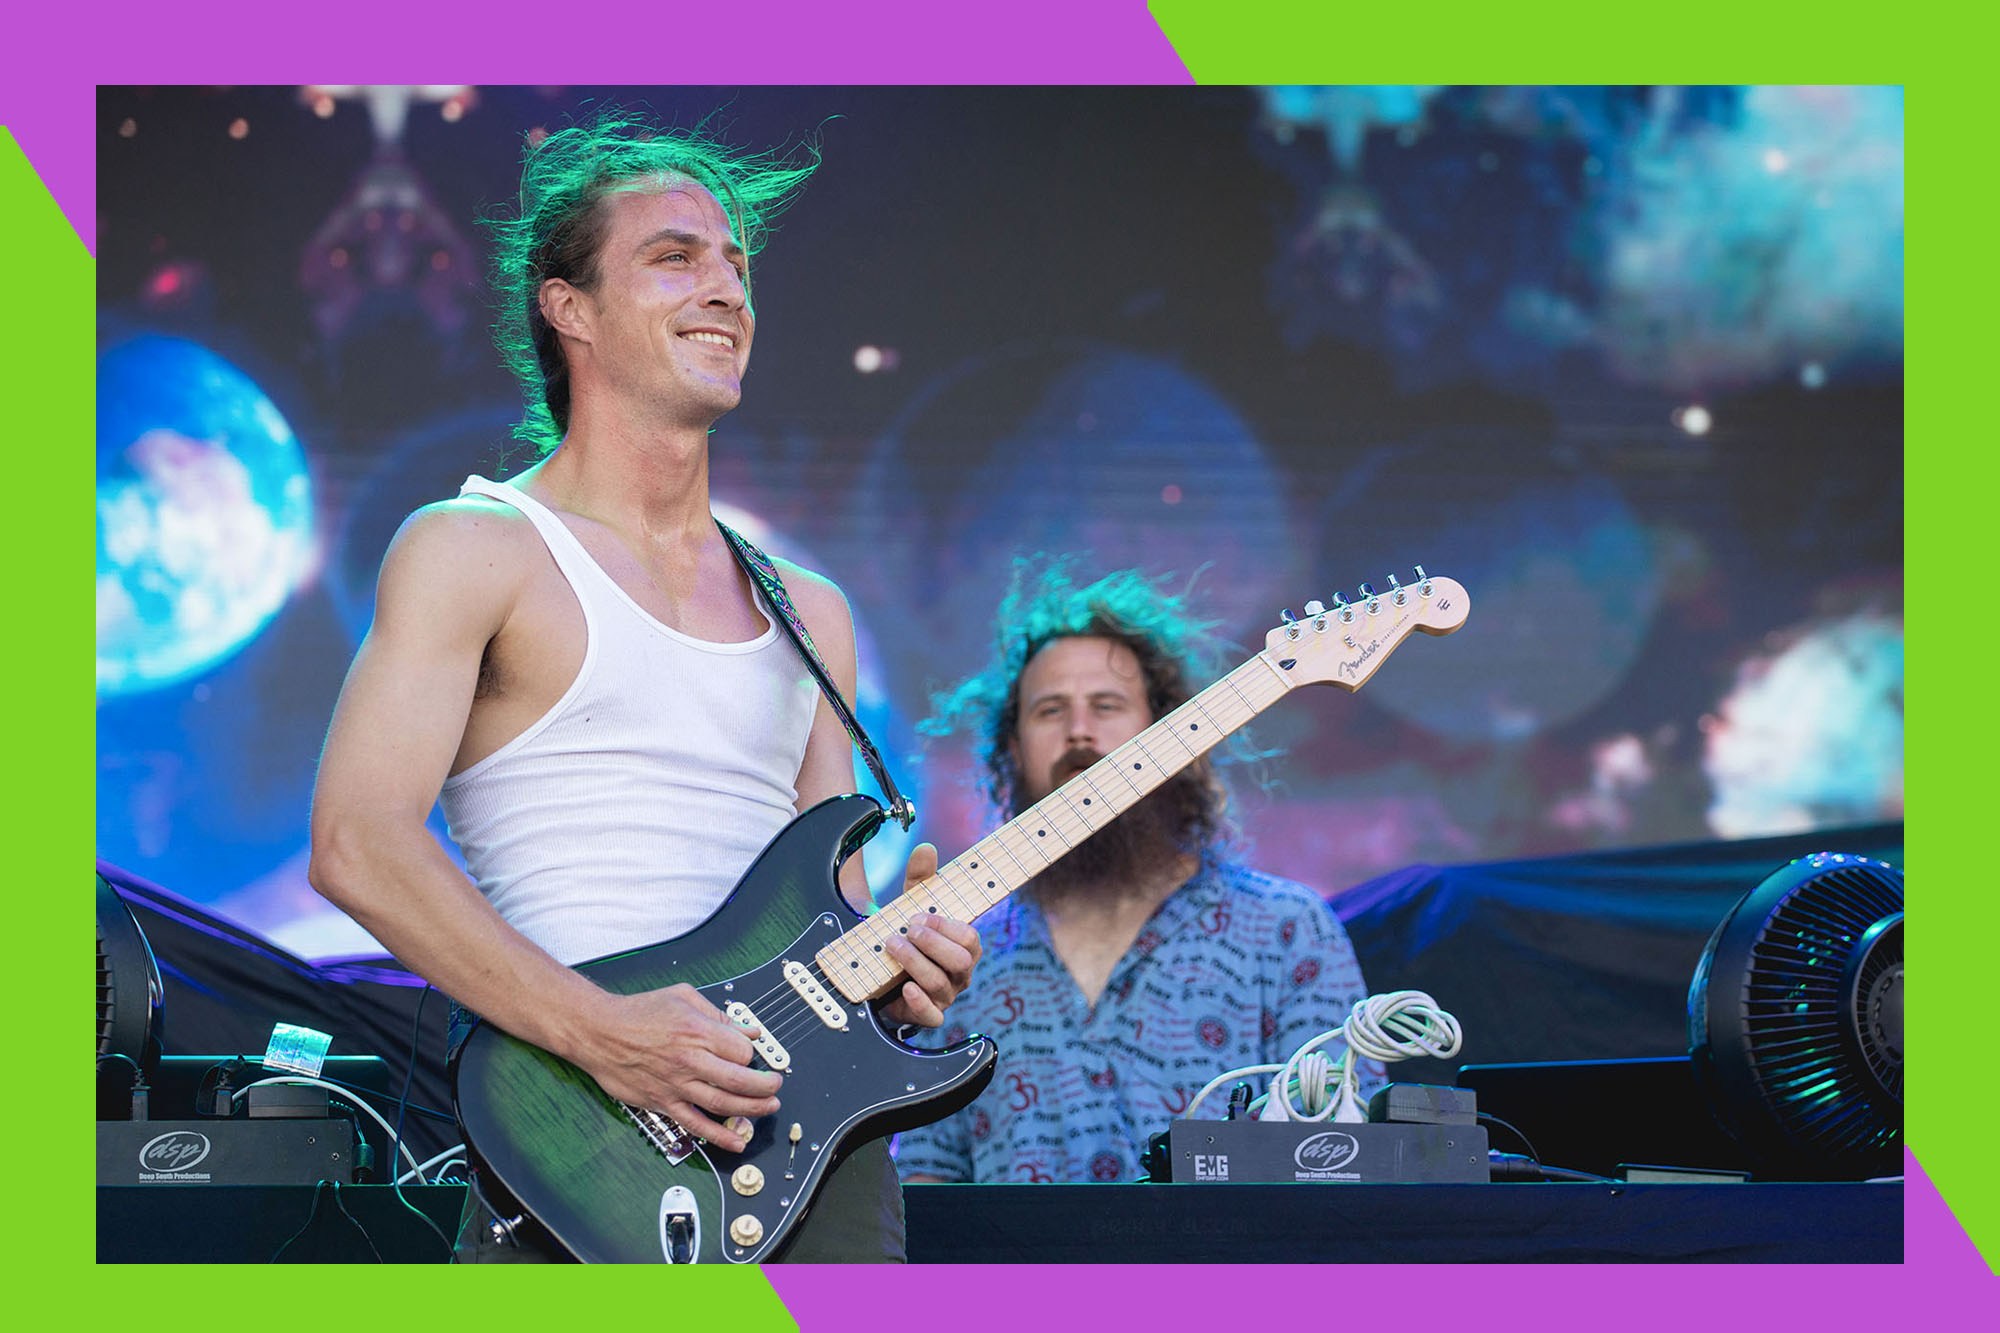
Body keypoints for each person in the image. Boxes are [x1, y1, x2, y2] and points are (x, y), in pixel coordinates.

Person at [307, 113, 980, 1262]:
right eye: (676, 257)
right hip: (581, 1148)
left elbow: (833, 918)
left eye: (735, 265)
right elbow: (358, 845)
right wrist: (608, 1036)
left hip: (811, 1159)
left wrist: (902, 975)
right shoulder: (477, 546)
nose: (725, 287)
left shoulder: (810, 610)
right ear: (568, 308)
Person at [894, 562, 1385, 1184]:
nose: (1079, 732)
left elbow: (1348, 1165)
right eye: (1050, 711)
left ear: (1169, 737)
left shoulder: (1289, 929)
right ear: (1011, 750)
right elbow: (925, 1177)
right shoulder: (959, 950)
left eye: (1107, 706)